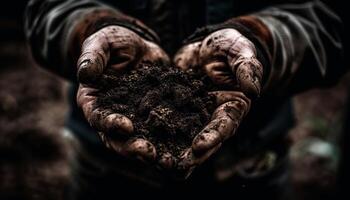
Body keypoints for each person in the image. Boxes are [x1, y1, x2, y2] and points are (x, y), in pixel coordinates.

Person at [25, 0, 346, 198]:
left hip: (252, 166)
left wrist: (263, 42)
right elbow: (44, 8)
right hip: (106, 171)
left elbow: (333, 19)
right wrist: (88, 29)